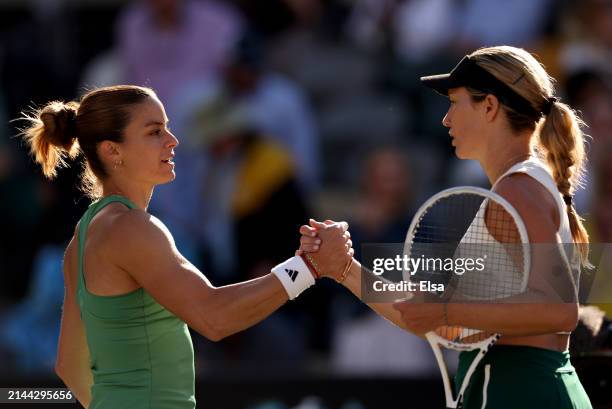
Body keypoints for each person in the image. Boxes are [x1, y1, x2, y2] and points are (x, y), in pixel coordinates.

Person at [19, 85, 352, 409]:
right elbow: (213, 317)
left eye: (166, 128)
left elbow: (70, 366)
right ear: (112, 151)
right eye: (154, 132)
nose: (172, 141)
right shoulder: (132, 229)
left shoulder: (86, 234)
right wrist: (308, 267)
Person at [299, 46, 593, 408]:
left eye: (455, 102)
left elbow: (559, 312)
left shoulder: (518, 189)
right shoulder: (521, 185)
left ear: (489, 106)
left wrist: (444, 311)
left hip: (523, 391)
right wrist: (343, 269)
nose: (445, 119)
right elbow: (432, 322)